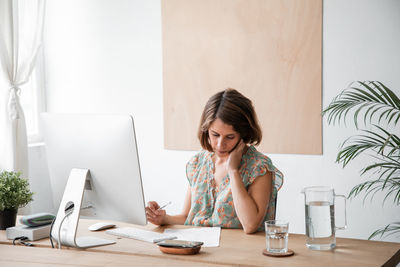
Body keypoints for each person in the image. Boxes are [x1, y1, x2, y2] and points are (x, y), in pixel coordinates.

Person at [146, 88, 283, 233]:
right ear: (206, 130)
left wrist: (233, 170)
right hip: (199, 249)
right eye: (215, 134)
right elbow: (187, 216)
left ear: (244, 134)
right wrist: (164, 219)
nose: (220, 144)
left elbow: (250, 225)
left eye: (230, 137)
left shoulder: (259, 167)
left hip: (239, 253)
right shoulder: (198, 163)